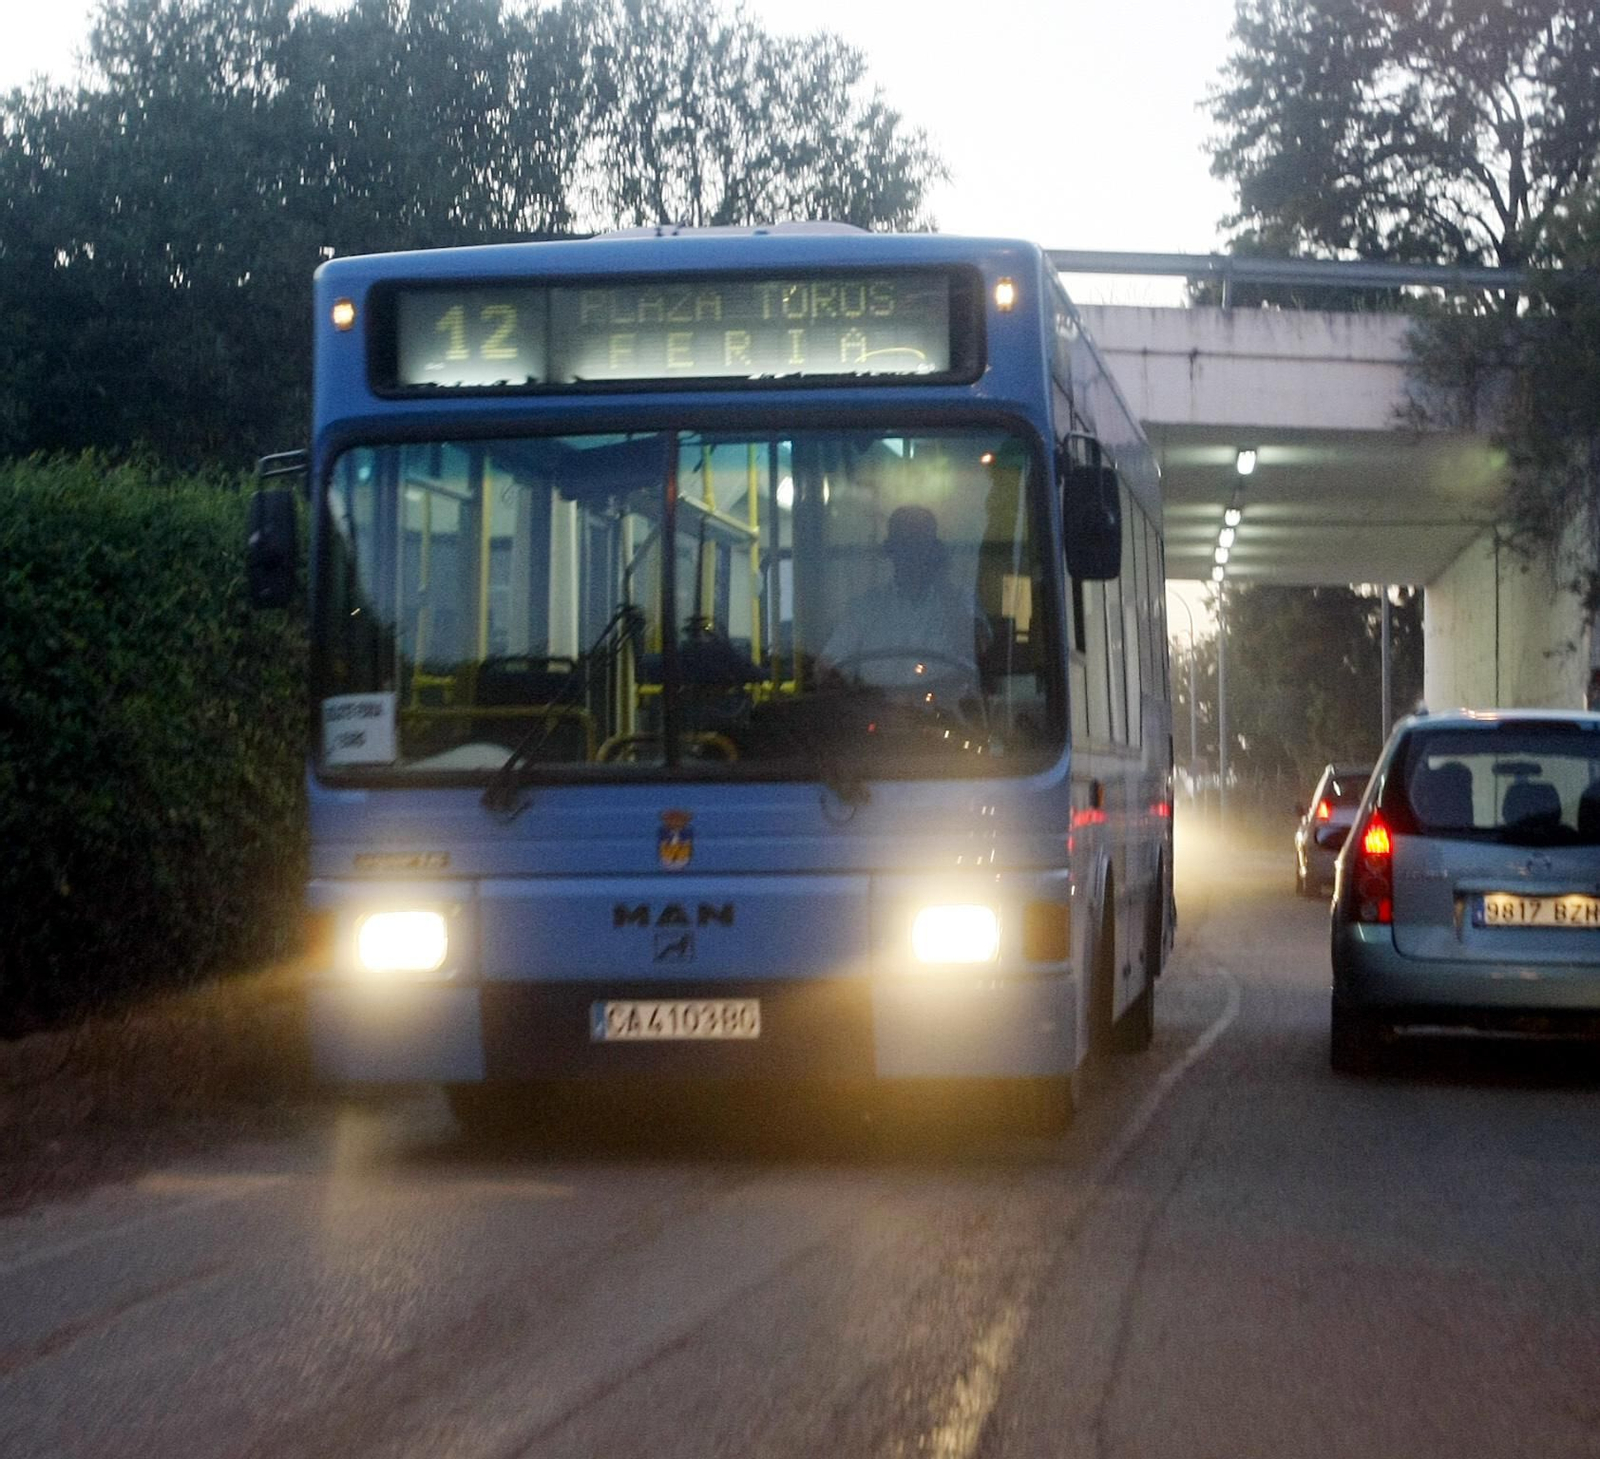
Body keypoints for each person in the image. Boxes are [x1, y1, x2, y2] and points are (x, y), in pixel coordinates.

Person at [821, 504, 990, 689]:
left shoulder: (962, 603)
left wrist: (946, 589)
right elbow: (829, 666)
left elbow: (981, 654)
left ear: (935, 550)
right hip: (877, 711)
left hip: (949, 713)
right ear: (890, 550)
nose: (912, 554)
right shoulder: (864, 609)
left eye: (920, 544)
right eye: (904, 545)